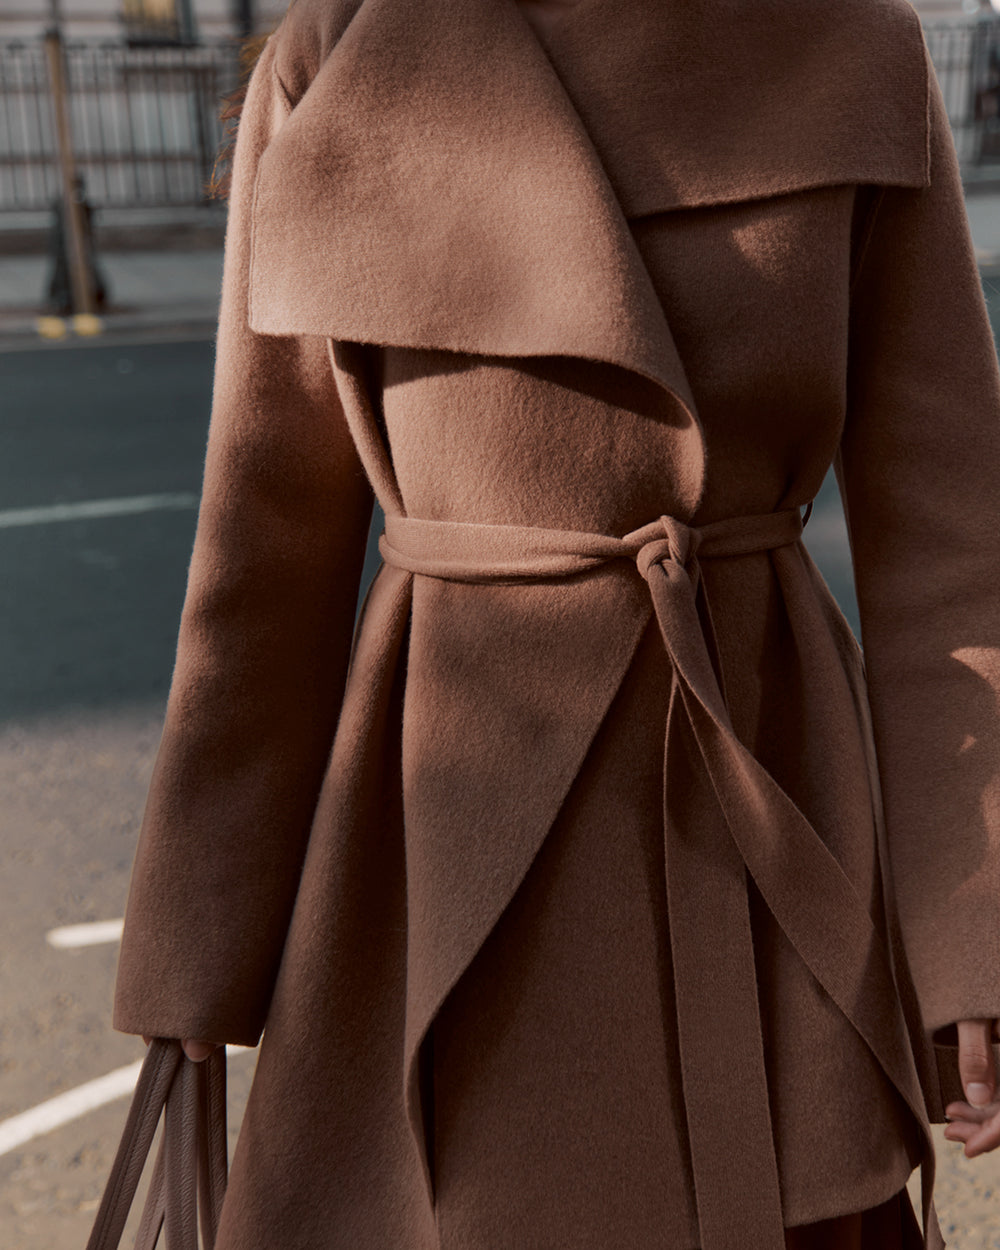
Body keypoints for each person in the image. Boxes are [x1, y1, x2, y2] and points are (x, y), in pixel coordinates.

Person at [113, 0, 1000, 1246]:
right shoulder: (347, 51)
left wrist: (975, 930)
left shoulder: (850, 43)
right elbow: (264, 554)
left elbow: (953, 552)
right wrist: (193, 953)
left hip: (750, 817)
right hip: (434, 839)